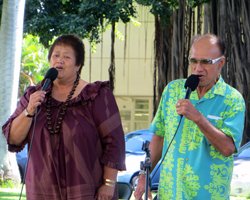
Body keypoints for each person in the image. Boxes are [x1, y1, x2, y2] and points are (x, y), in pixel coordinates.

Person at [2, 34, 126, 200]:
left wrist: (109, 184)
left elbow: (114, 142)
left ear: (78, 65)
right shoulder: (34, 95)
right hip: (42, 190)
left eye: (66, 57)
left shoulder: (96, 96)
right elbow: (13, 138)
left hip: (86, 190)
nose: (59, 60)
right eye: (56, 56)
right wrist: (29, 110)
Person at [134, 33, 246, 200]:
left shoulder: (232, 100)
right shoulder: (173, 91)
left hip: (208, 196)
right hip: (170, 194)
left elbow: (228, 148)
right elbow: (159, 136)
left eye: (206, 62)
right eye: (194, 61)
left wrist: (199, 118)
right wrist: (144, 175)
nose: (198, 68)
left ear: (221, 63)